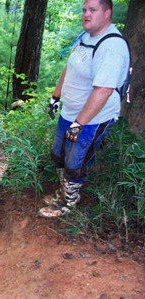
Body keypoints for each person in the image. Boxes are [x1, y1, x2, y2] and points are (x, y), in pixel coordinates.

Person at [39, 0, 130, 217]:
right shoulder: (86, 36)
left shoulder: (111, 46)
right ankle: (63, 193)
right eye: (84, 10)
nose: (86, 15)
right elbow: (70, 67)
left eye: (92, 10)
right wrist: (55, 96)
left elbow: (103, 91)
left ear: (107, 13)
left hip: (92, 118)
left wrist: (79, 124)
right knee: (58, 154)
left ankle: (69, 202)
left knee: (75, 161)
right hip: (70, 112)